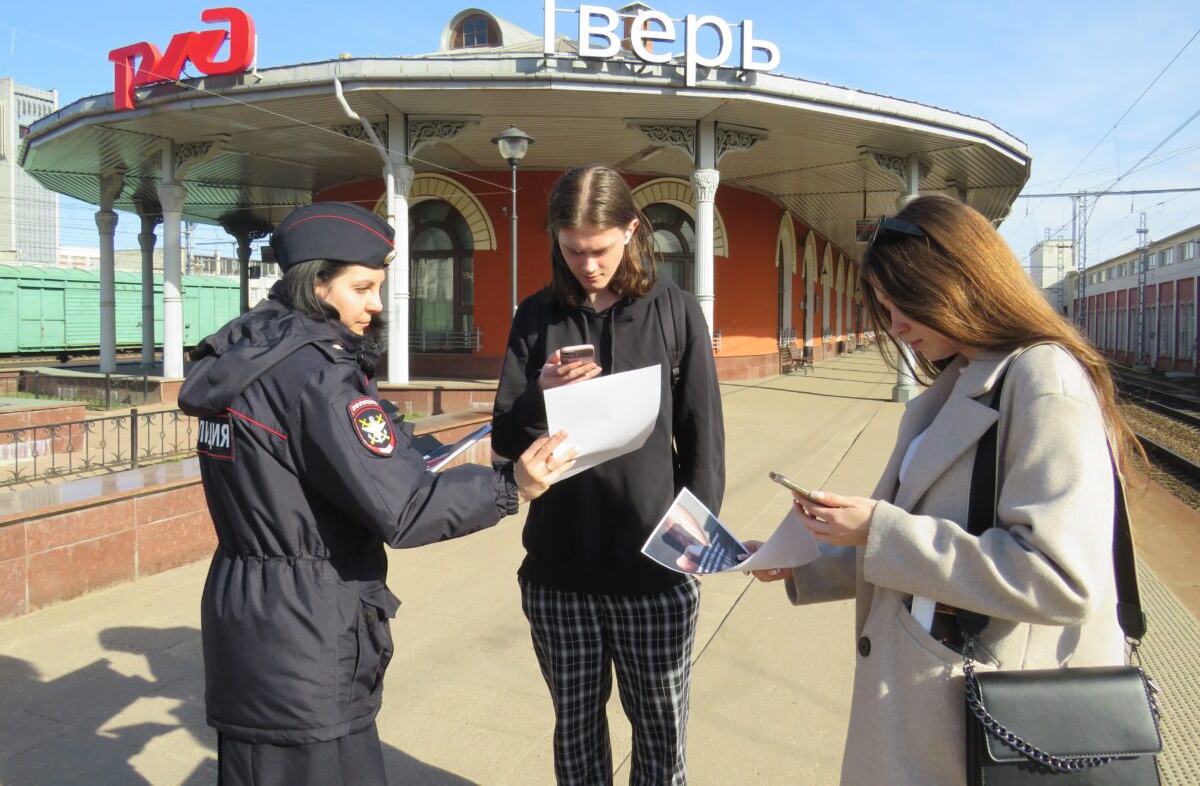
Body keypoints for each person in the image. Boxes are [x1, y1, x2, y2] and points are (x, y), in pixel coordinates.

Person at [748, 194, 1144, 785]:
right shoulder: (965, 378)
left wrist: (877, 528)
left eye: (904, 303)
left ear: (959, 282)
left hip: (987, 720)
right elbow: (940, 530)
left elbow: (1061, 578)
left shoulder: (1042, 379)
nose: (895, 325)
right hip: (936, 702)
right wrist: (806, 560)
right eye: (884, 307)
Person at [178, 201, 573, 786]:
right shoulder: (316, 376)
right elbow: (406, 509)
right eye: (362, 288)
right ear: (316, 285)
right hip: (309, 630)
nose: (376, 304)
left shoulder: (248, 353)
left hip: (250, 615)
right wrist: (511, 485)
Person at [492, 164, 725, 785]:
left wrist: (694, 551)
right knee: (576, 731)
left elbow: (703, 440)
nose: (586, 264)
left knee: (659, 730)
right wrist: (538, 395)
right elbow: (504, 440)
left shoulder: (674, 311)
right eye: (572, 250)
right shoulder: (537, 315)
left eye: (598, 249)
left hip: (654, 571)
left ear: (631, 230)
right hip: (559, 571)